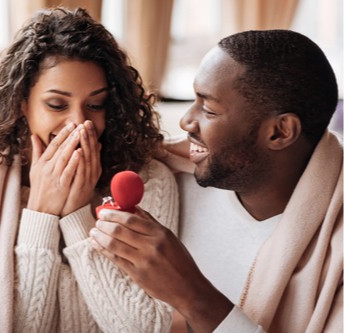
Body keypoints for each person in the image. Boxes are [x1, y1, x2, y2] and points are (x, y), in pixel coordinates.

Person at [0, 7, 179, 333]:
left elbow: (146, 328)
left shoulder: (148, 183)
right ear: (22, 104)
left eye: (95, 104)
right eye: (57, 104)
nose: (79, 122)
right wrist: (40, 215)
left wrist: (75, 213)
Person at [91, 29, 342, 333]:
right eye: (194, 99)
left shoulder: (335, 251)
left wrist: (191, 294)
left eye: (209, 109)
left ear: (279, 132)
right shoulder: (165, 180)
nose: (185, 122)